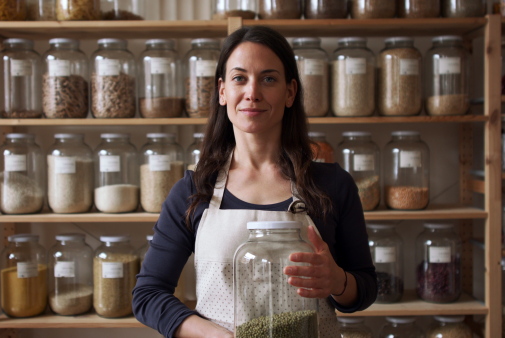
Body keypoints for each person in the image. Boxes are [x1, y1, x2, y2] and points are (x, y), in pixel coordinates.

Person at [132, 26, 377, 337]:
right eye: (239, 78)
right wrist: (214, 335)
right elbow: (148, 295)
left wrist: (338, 281)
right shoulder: (195, 190)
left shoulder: (332, 185)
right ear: (222, 91)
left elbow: (366, 287)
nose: (253, 92)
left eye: (269, 79)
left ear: (290, 92)